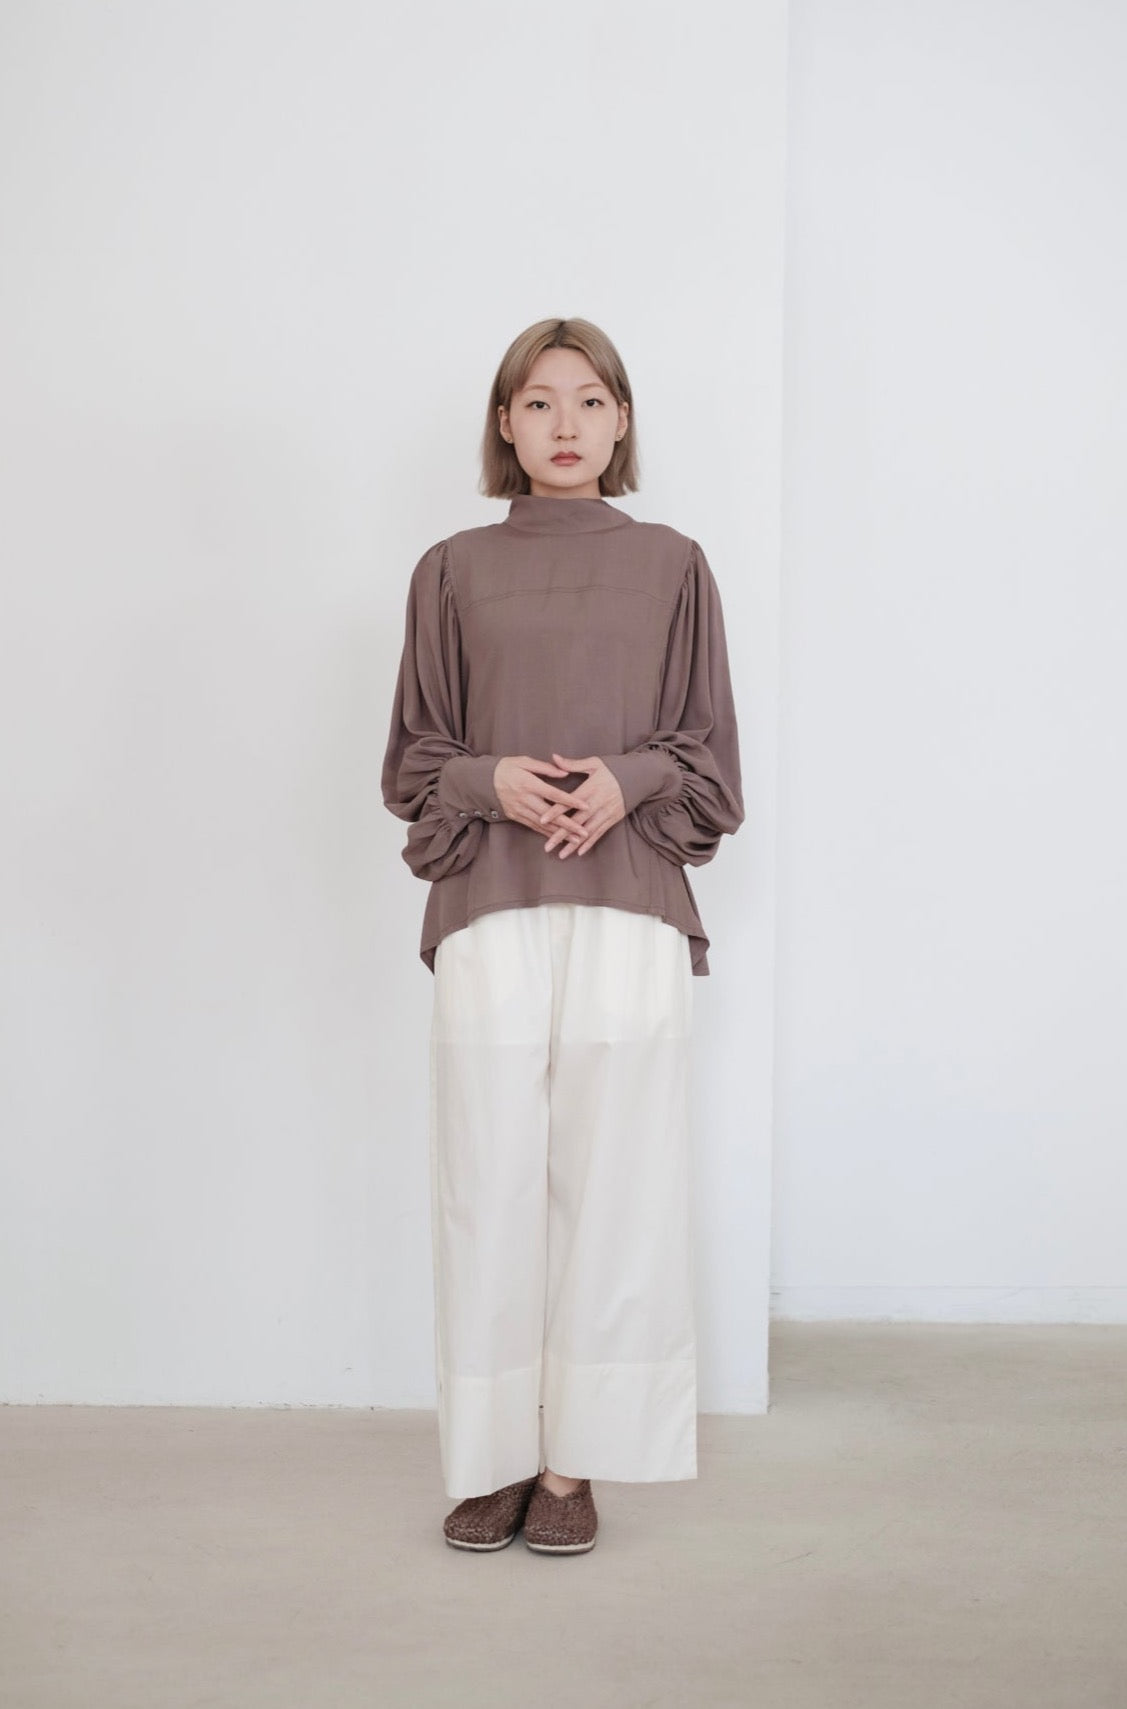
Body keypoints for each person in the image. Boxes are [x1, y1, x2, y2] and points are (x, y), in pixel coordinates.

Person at [381, 317, 743, 1556]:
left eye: (591, 400)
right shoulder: (450, 569)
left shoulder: (675, 565)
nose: (567, 424)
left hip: (629, 900)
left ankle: (571, 1463)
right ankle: (491, 1458)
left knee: (619, 1178)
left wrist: (626, 780)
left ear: (622, 419)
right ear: (506, 424)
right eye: (539, 402)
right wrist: (490, 780)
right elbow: (415, 758)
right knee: (485, 1177)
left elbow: (708, 753)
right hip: (488, 899)